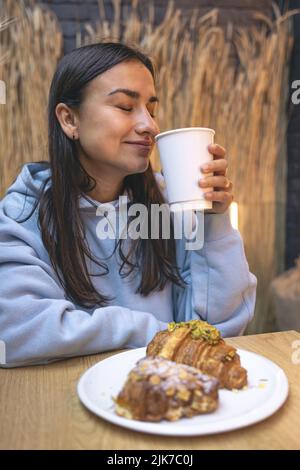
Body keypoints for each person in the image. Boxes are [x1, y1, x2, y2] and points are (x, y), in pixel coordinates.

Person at [0, 42, 257, 367]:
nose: (149, 125)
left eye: (152, 109)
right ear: (69, 119)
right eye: (125, 106)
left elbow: (222, 330)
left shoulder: (169, 202)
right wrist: (151, 332)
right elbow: (14, 330)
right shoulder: (25, 211)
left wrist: (215, 221)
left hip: (163, 396)